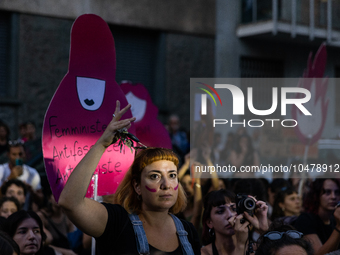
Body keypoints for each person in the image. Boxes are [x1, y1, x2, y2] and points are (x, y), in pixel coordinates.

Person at [58, 101, 201, 255]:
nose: (166, 184)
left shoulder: (188, 232)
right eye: (155, 176)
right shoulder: (117, 223)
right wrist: (101, 144)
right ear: (137, 186)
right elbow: (70, 202)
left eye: (172, 175)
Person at [201, 189, 269, 255]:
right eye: (220, 211)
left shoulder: (254, 249)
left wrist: (263, 230)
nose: (230, 215)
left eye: (234, 209)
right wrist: (240, 245)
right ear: (209, 222)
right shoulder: (203, 252)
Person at [294, 179, 340, 255]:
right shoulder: (305, 219)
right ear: (317, 195)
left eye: (337, 192)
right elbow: (318, 253)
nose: (333, 197)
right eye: (327, 192)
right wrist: (339, 227)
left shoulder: (333, 219)